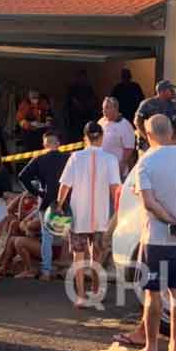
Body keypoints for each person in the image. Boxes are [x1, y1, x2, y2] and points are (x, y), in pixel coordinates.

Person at [115, 115, 176, 351]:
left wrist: (169, 220)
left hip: (156, 239)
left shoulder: (146, 162)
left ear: (148, 135)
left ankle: (151, 348)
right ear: (172, 132)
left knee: (153, 293)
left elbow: (149, 202)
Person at [55, 121, 122, 309]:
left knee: (78, 257)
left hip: (78, 216)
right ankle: (96, 290)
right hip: (101, 217)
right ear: (101, 137)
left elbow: (64, 186)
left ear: (84, 138)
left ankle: (81, 296)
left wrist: (59, 206)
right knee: (97, 256)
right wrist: (118, 210)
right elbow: (115, 188)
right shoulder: (110, 159)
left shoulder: (75, 157)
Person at [18, 130, 71, 281]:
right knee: (67, 236)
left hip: (46, 202)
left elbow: (22, 176)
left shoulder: (39, 159)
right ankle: (67, 269)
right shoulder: (68, 158)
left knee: (47, 237)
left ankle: (46, 271)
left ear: (44, 144)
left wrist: (36, 192)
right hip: (64, 202)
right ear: (58, 144)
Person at [133, 80, 176, 153]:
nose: (173, 92)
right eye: (170, 90)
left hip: (167, 144)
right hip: (147, 144)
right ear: (162, 91)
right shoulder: (147, 104)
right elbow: (137, 121)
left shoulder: (175, 106)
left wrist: (171, 140)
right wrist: (147, 136)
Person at [98, 97, 136, 179]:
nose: (103, 110)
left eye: (107, 107)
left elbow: (129, 148)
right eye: (103, 108)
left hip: (117, 170)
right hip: (102, 169)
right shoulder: (101, 121)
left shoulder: (125, 125)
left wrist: (121, 165)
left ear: (115, 108)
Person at [16, 89, 54, 153]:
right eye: (33, 97)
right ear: (29, 97)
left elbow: (49, 113)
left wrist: (48, 121)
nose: (35, 99)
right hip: (29, 133)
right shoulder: (24, 104)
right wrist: (30, 125)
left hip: (43, 131)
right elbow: (20, 120)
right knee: (32, 151)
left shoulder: (43, 102)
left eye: (36, 97)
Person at [66, 69, 99, 143]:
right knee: (76, 137)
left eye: (84, 77)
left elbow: (93, 99)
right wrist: (80, 106)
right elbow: (72, 100)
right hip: (75, 118)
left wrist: (87, 106)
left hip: (87, 117)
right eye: (81, 77)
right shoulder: (72, 88)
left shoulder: (88, 88)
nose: (82, 79)